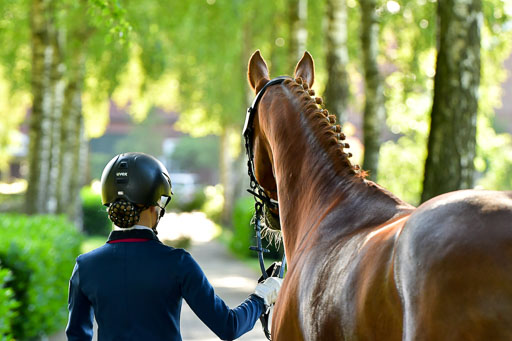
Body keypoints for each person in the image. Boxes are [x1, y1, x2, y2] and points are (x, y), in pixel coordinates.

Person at [66, 152, 282, 341]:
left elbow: (76, 336)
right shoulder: (177, 263)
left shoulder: (85, 267)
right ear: (155, 208)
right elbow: (229, 327)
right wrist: (261, 297)